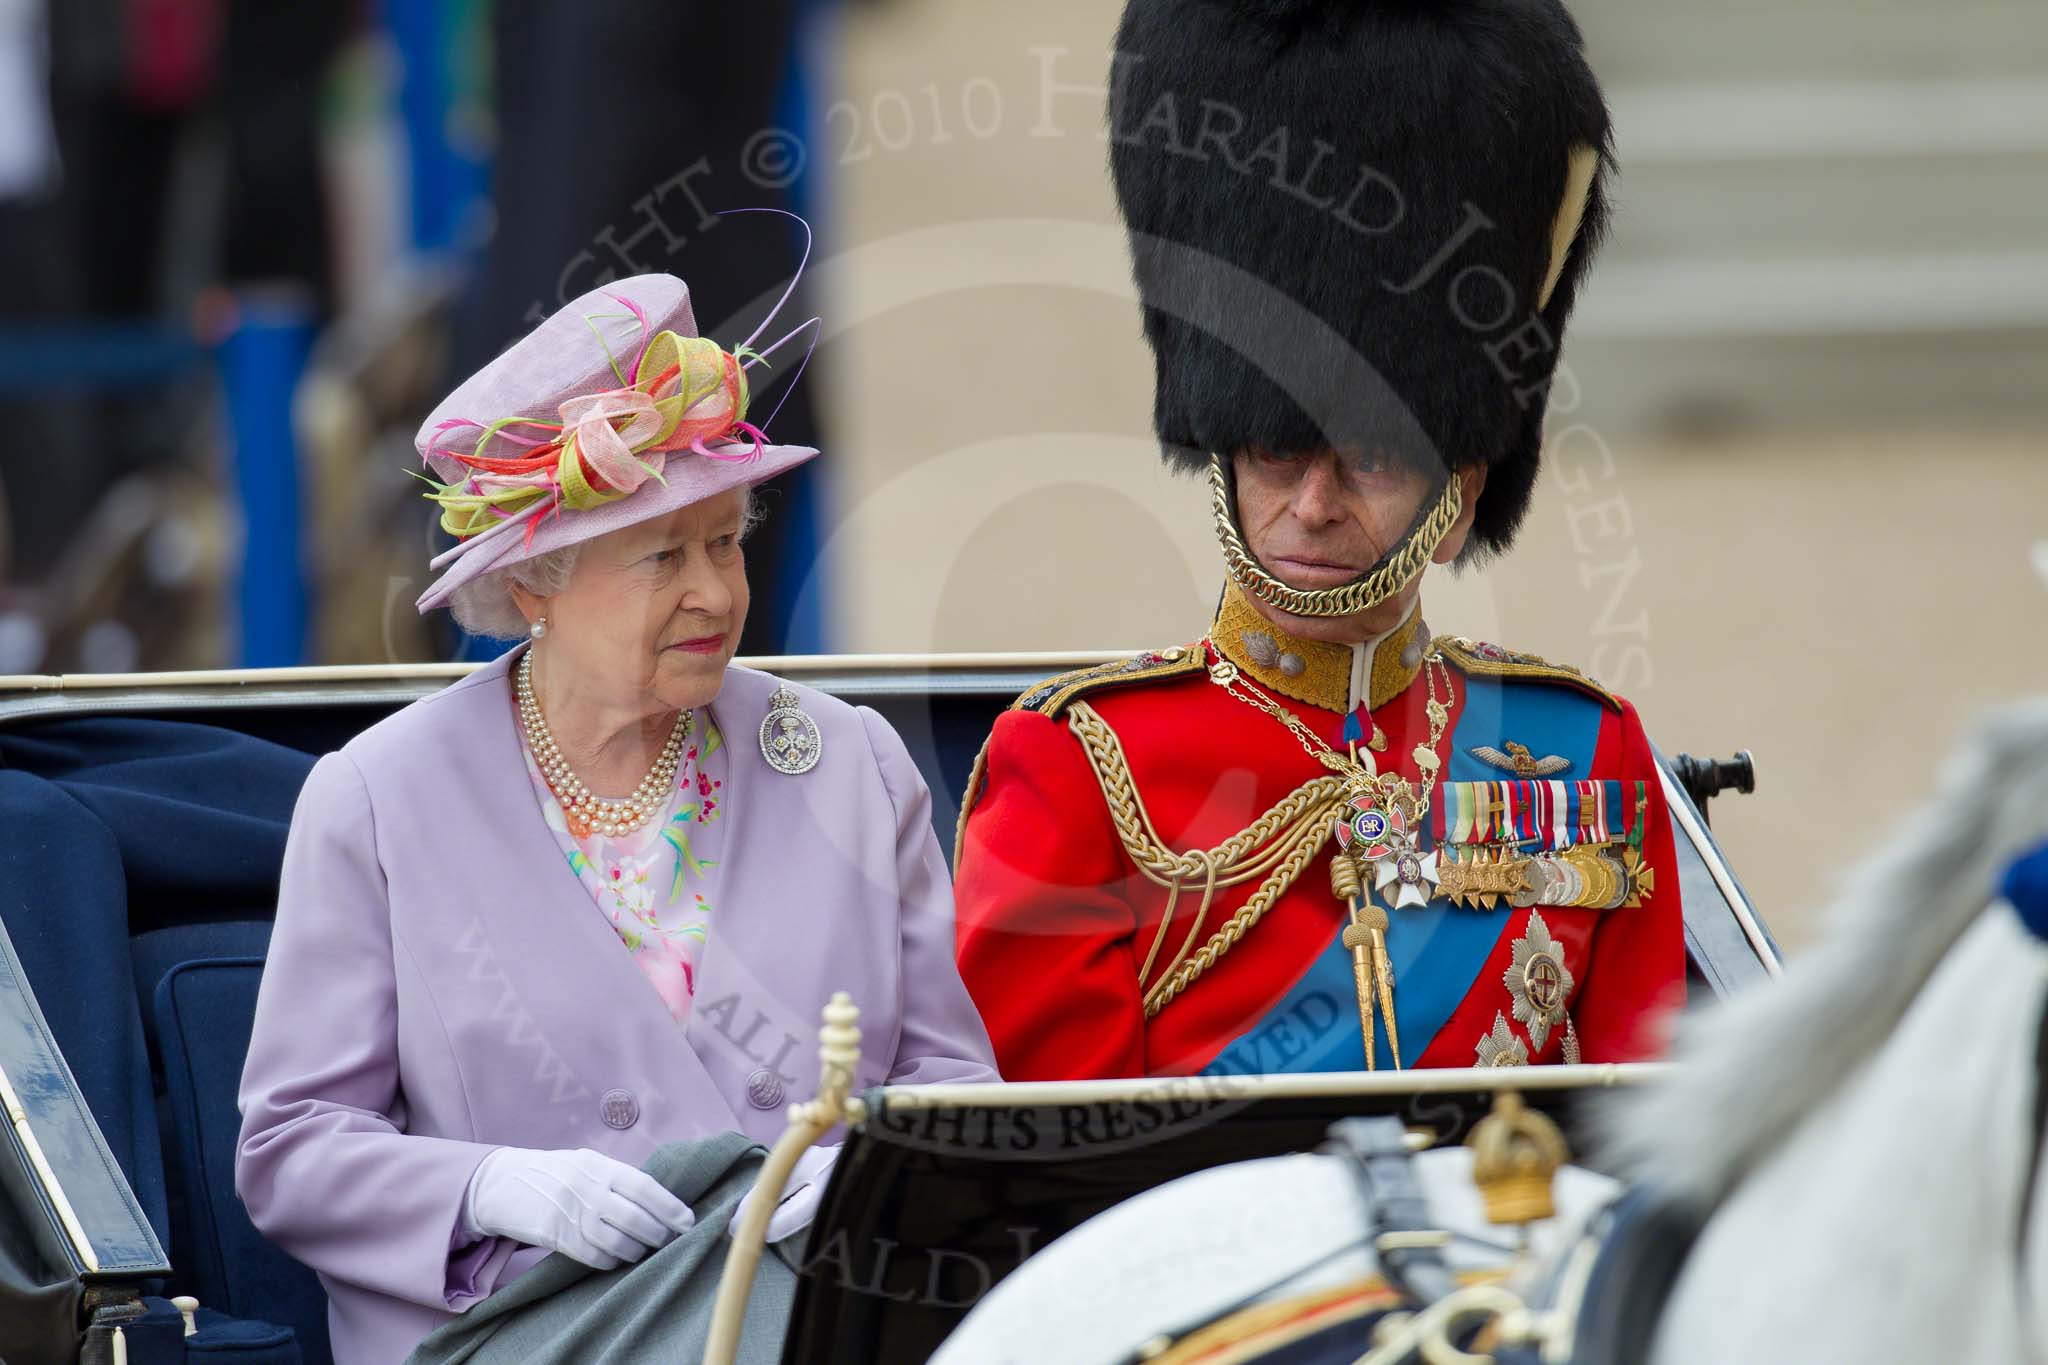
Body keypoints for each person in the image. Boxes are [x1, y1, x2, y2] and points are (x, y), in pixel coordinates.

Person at [235, 273, 998, 1364]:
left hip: (827, 1313)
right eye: (662, 556)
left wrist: (885, 1161)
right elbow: (292, 1149)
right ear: (535, 584)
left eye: (726, 542)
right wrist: (492, 1187)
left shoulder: (849, 764)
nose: (716, 594)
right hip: (537, 1329)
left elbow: (953, 1082)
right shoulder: (379, 798)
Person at [953, 0, 1685, 1080]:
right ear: (1222, 454)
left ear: (1461, 490)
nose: (1309, 506)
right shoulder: (1076, 765)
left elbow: (1643, 1130)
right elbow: (1057, 1171)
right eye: (1272, 452)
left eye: (1370, 461)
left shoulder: (1587, 752)